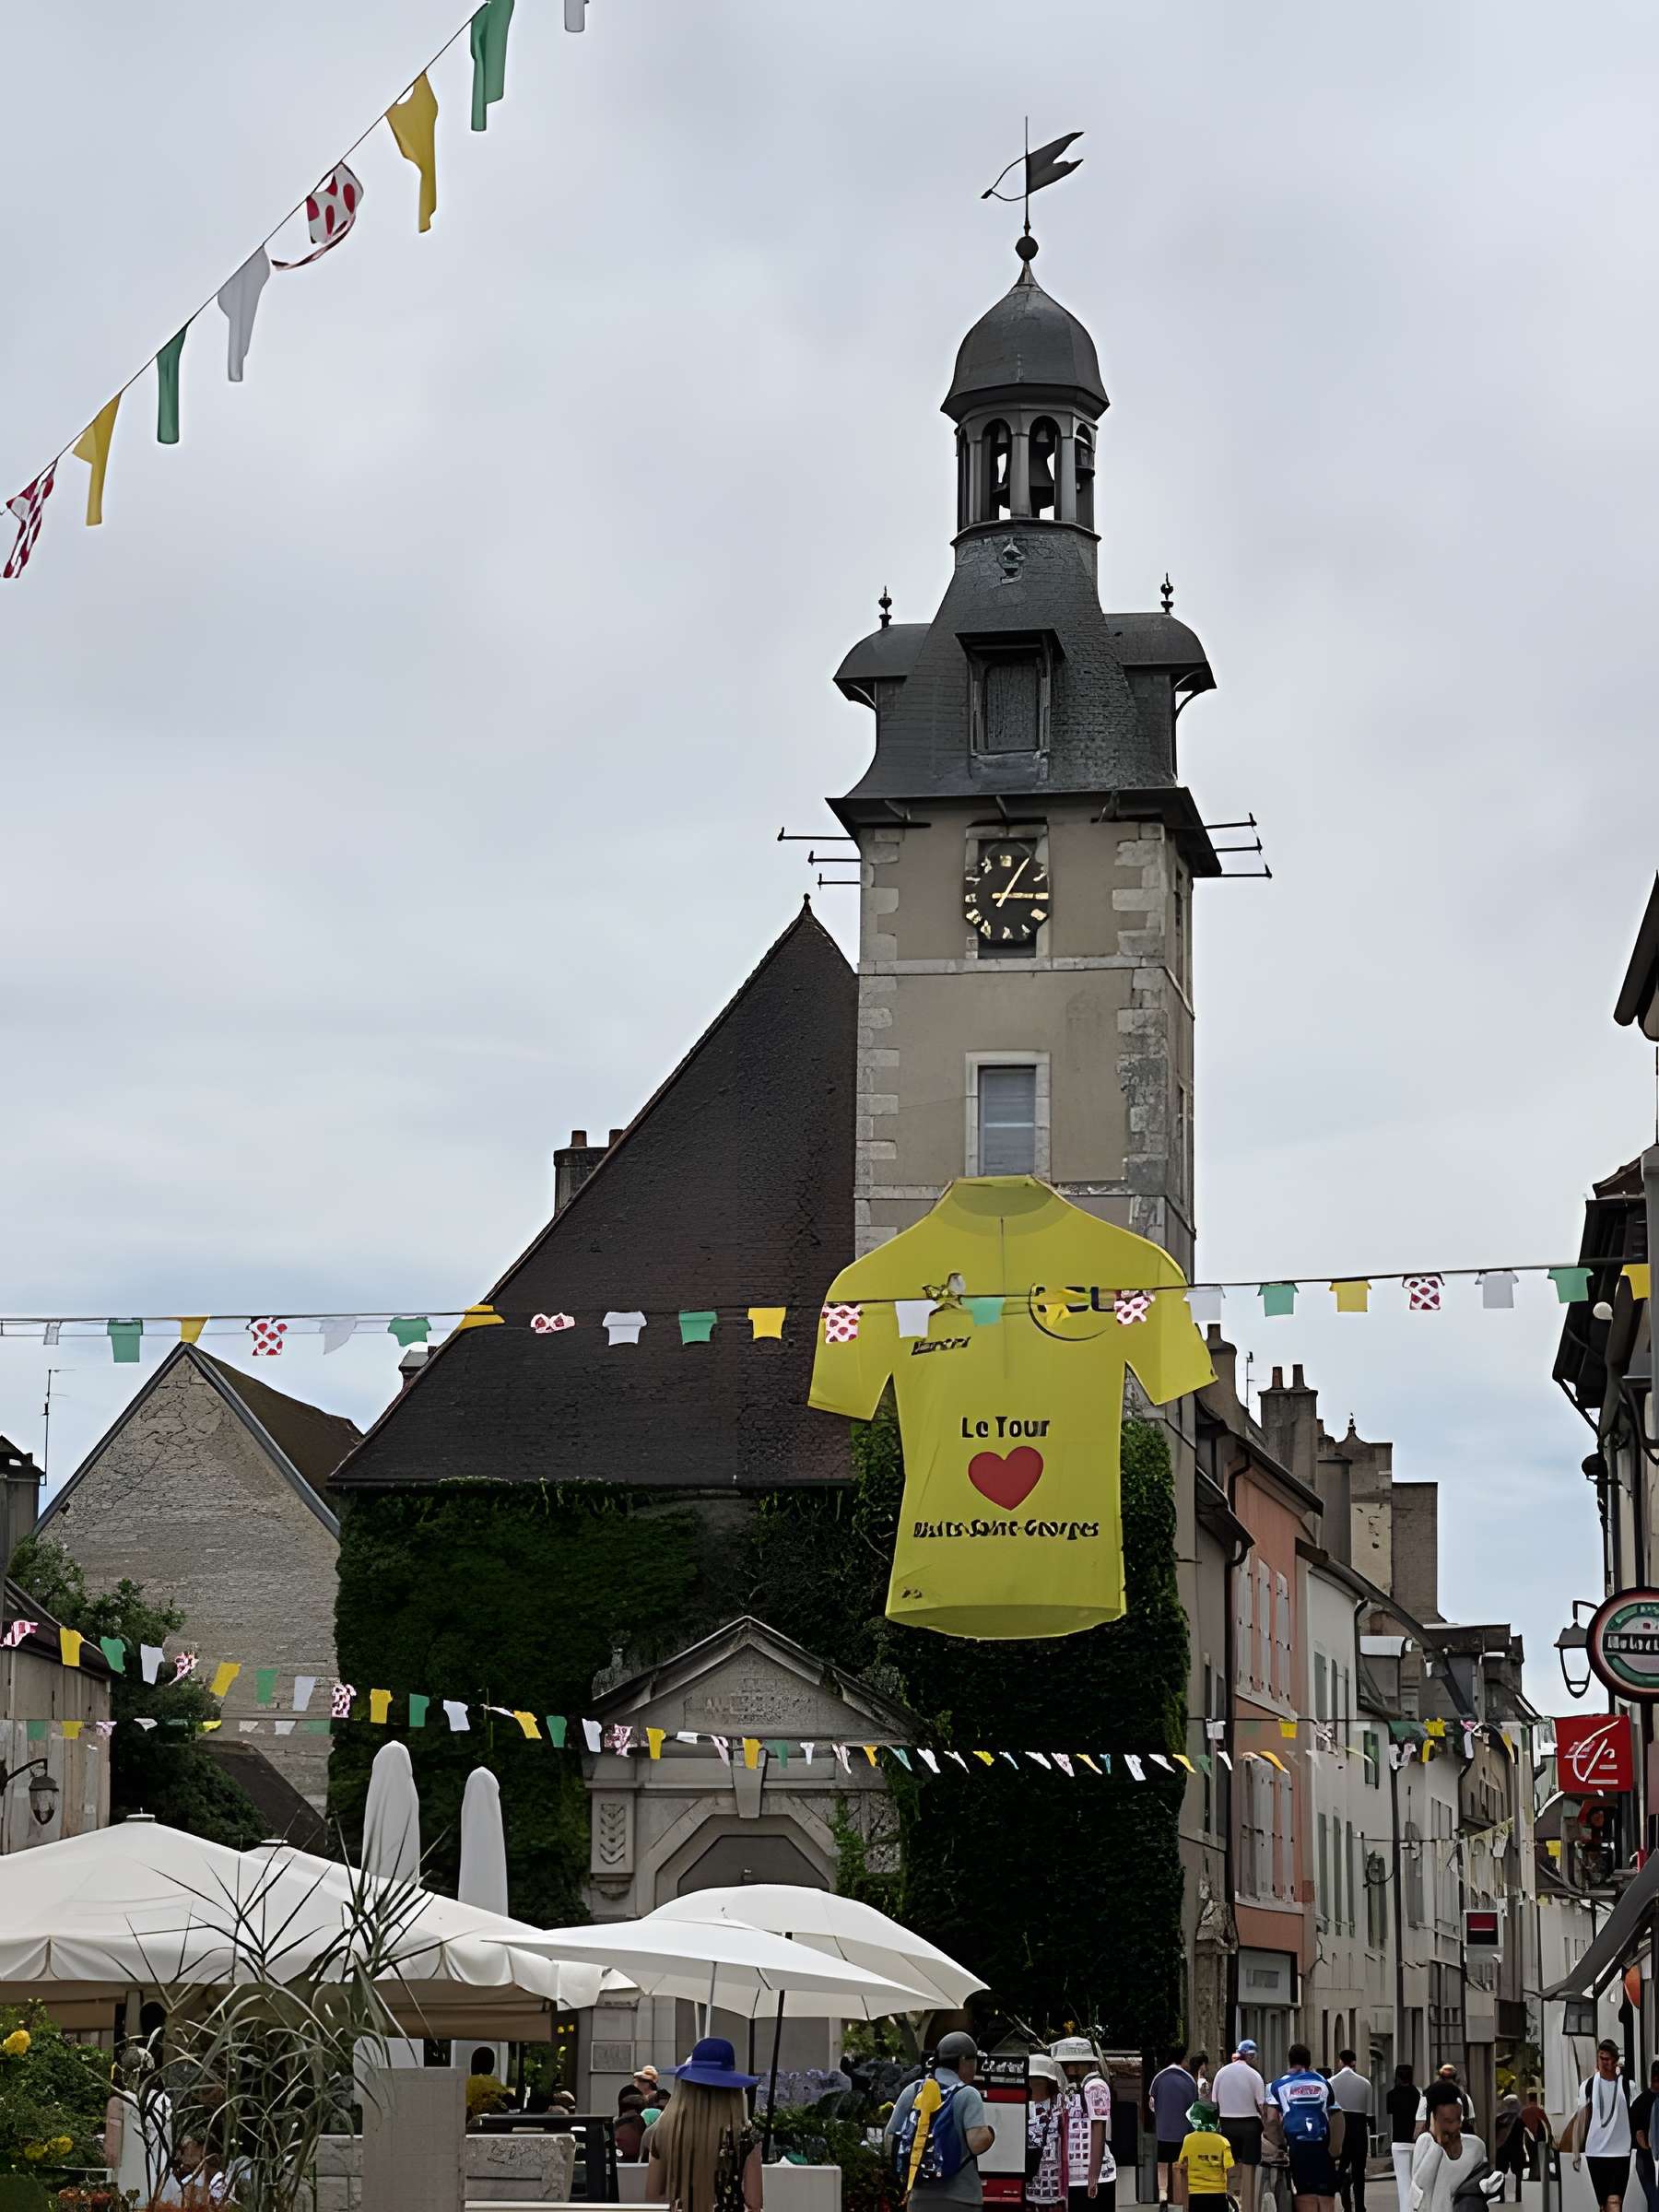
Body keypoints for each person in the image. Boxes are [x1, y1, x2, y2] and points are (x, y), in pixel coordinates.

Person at [648, 2038, 763, 2212]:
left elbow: (653, 2197)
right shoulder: (745, 2136)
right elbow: (754, 2204)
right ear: (732, 2090)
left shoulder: (666, 2130)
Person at [886, 2031, 995, 2210]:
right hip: (962, 2199)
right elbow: (976, 2143)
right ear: (963, 2061)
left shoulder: (913, 2091)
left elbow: (889, 2139)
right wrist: (990, 2134)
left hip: (919, 2198)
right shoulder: (967, 2094)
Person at [1267, 2042, 1340, 2212]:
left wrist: (1280, 2145)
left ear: (1290, 2061)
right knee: (1325, 2195)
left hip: (1297, 2146)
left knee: (1305, 2196)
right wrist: (1335, 2148)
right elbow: (1336, 2114)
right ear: (1309, 2062)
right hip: (1322, 2145)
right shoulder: (1323, 2083)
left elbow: (1271, 2121)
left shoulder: (1277, 2086)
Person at [1052, 2037, 1116, 2212]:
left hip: (1090, 2178)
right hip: (1074, 2177)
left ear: (1074, 2065)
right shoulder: (1078, 2087)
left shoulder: (1095, 2086)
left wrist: (1093, 2177)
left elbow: (1098, 2129)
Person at [1571, 2041, 1635, 2212]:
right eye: (1601, 2058)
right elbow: (1581, 2119)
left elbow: (1636, 2118)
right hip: (1596, 2152)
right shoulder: (1588, 2086)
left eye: (1608, 2059)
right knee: (1603, 2205)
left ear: (1615, 2061)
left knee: (1615, 2202)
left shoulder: (1628, 2086)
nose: (1604, 2063)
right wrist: (1576, 2152)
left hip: (1621, 2152)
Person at [1407, 2081, 1488, 2212]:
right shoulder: (1426, 2143)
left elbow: (1482, 2186)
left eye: (1459, 2119)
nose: (1457, 2125)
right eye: (1449, 2120)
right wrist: (1438, 2144)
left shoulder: (1475, 2146)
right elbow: (1419, 2194)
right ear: (1435, 2118)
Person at [1215, 2041, 1269, 2212]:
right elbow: (1261, 2105)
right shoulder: (1254, 2075)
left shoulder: (1221, 2073)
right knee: (1249, 2166)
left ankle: (1228, 2201)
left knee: (1228, 2165)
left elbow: (1214, 2101)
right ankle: (1248, 2206)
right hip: (1250, 2125)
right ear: (1251, 2056)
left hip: (1226, 2123)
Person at [1148, 2052, 1202, 2206]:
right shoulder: (1189, 2080)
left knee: (1162, 2165)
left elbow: (1151, 2104)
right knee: (1182, 2164)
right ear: (1181, 2060)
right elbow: (1194, 2106)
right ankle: (1183, 2197)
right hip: (1184, 2132)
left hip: (1163, 2130)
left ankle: (1163, 2194)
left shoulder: (1158, 2078)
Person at [1329, 2050, 1372, 2212]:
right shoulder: (1365, 2084)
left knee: (1339, 2165)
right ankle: (1360, 2206)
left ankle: (1343, 2191)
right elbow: (1369, 2115)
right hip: (1359, 2128)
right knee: (1359, 2170)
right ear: (1354, 2062)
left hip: (1339, 2127)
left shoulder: (1331, 2082)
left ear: (1340, 2061)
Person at [1173, 2098, 1234, 2211]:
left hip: (1195, 2194)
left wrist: (1185, 2204)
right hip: (1219, 2194)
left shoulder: (1188, 2140)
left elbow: (1183, 2169)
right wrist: (1228, 2194)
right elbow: (1229, 2170)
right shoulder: (1223, 2142)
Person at [1027, 2056, 1066, 2212]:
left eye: (1039, 2080)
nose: (1035, 2083)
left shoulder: (1061, 2106)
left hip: (1055, 2181)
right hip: (1029, 2180)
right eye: (1032, 2079)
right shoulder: (1020, 2107)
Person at [1386, 2067, 1419, 2212]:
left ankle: (1405, 2210)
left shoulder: (1391, 2094)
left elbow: (1391, 2111)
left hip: (1398, 2141)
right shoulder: (1416, 2094)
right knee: (1415, 2180)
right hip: (1415, 2141)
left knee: (1403, 2182)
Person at [1631, 2060, 1659, 2212]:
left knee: (1654, 2200)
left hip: (1645, 2157)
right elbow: (1639, 2136)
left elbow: (1637, 2135)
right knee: (1655, 2200)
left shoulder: (1640, 2102)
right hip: (1647, 2158)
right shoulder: (1641, 2102)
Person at [1489, 2095, 1526, 2205]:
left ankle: (1501, 2197)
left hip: (1502, 2149)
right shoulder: (1520, 2119)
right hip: (1517, 2149)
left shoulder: (1499, 2119)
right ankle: (1519, 2197)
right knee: (1518, 2175)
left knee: (1500, 2174)